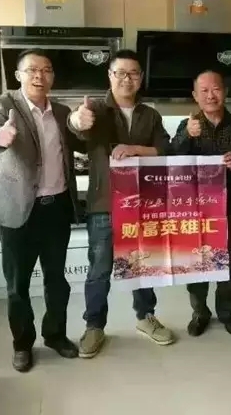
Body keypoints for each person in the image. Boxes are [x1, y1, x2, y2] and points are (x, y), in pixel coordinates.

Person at [0, 49, 86, 372]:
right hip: (18, 211)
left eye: (46, 69)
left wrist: (83, 125)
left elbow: (80, 140)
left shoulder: (63, 111)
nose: (39, 75)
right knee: (17, 286)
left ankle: (55, 335)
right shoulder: (2, 104)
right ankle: (22, 344)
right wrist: (1, 136)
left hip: (56, 210)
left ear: (52, 76)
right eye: (32, 70)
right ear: (18, 75)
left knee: (57, 281)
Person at [68, 49, 175, 358]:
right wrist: (76, 120)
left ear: (140, 78)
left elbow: (164, 149)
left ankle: (145, 317)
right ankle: (94, 326)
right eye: (121, 73)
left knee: (142, 264)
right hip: (104, 203)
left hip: (142, 204)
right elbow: (76, 131)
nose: (127, 79)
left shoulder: (149, 115)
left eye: (134, 73)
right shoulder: (96, 110)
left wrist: (135, 148)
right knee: (99, 269)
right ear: (110, 76)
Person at [171, 69, 231, 337]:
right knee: (197, 266)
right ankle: (200, 313)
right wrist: (187, 136)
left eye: (216, 89)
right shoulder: (187, 125)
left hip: (229, 209)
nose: (211, 95)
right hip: (195, 212)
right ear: (195, 96)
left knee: (229, 266)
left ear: (225, 92)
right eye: (204, 91)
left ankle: (227, 313)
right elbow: (171, 162)